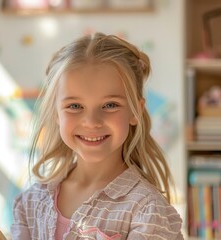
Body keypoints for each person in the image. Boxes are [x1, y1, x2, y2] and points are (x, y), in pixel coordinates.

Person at [11, 32, 184, 239]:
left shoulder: (147, 211)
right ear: (56, 113)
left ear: (135, 111)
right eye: (75, 106)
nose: (92, 121)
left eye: (110, 105)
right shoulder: (30, 203)